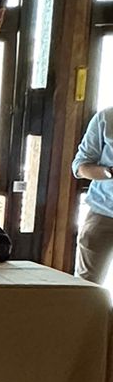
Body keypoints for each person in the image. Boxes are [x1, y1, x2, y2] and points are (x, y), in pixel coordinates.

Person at [72, 105, 113, 283]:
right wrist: (109, 172)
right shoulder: (107, 117)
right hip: (103, 213)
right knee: (86, 287)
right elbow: (80, 166)